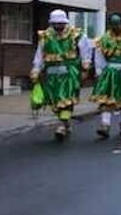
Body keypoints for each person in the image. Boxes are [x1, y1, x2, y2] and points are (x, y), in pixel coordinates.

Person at [30, 9, 91, 141]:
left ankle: (62, 125)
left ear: (65, 22)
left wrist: (85, 69)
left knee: (66, 99)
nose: (57, 26)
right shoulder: (45, 36)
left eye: (60, 23)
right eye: (55, 24)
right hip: (51, 74)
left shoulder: (76, 35)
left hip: (70, 72)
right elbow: (40, 54)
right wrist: (36, 69)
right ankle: (66, 123)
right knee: (55, 101)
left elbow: (85, 51)